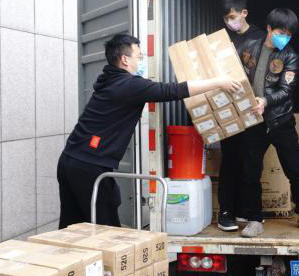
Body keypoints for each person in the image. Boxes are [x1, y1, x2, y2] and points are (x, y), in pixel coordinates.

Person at [58, 34, 240, 229]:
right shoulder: (129, 85)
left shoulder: (108, 80)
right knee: (105, 230)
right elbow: (172, 90)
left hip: (69, 160)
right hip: (89, 167)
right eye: (139, 56)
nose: (141, 61)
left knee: (71, 227)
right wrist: (218, 82)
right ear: (125, 59)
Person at [237, 8, 299, 238]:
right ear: (268, 28)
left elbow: (286, 90)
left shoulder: (290, 56)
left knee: (295, 168)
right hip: (253, 121)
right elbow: (235, 73)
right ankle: (254, 219)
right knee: (250, 171)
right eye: (280, 32)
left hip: (280, 120)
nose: (284, 38)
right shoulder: (248, 47)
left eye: (288, 34)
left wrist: (265, 101)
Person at [217, 0, 267, 232]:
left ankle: (250, 211)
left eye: (233, 17)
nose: (230, 22)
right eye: (226, 19)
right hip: (228, 109)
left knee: (251, 164)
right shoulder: (222, 41)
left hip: (253, 110)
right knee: (229, 162)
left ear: (244, 13)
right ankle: (226, 212)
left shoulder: (261, 38)